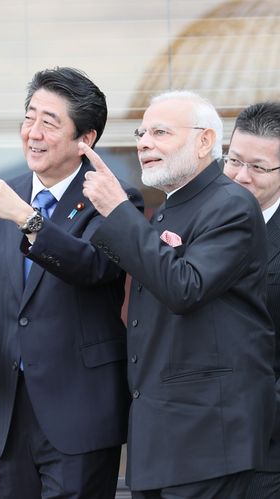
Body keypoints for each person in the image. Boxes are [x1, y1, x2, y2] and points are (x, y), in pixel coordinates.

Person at [0, 67, 143, 499]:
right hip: (9, 414)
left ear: (85, 139)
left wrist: (27, 218)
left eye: (49, 122)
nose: (32, 133)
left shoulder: (112, 197)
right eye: (29, 117)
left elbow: (94, 266)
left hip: (79, 413)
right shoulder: (2, 197)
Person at [80, 90, 276, 499]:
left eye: (160, 131)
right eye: (141, 131)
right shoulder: (173, 206)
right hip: (164, 439)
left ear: (204, 141)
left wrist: (118, 210)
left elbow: (184, 287)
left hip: (208, 439)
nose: (144, 142)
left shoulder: (231, 205)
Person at [224, 102, 280, 499]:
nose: (241, 177)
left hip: (269, 446)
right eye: (233, 160)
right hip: (196, 444)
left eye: (258, 168)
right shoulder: (188, 221)